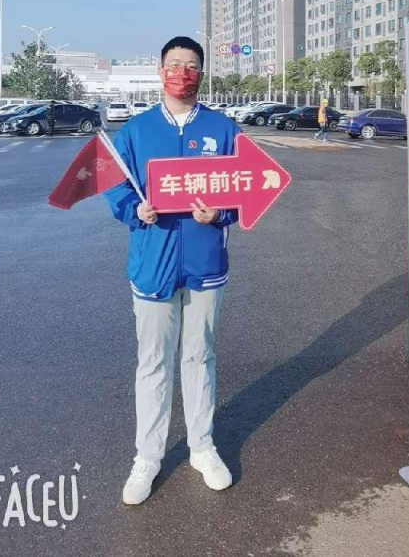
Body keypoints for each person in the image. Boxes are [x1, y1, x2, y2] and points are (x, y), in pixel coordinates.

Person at [105, 36, 241, 506]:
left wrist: (220, 213)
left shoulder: (223, 129)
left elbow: (244, 188)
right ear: (160, 69)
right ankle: (148, 456)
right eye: (175, 64)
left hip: (205, 264)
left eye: (192, 65)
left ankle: (203, 447)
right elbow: (116, 186)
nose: (183, 72)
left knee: (199, 356)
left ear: (202, 73)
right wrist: (134, 210)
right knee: (153, 362)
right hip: (153, 263)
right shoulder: (136, 131)